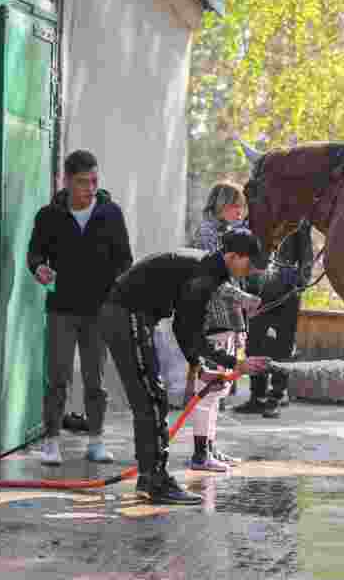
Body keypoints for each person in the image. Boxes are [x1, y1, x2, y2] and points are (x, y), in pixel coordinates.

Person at [98, 227, 271, 504]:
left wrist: (201, 366)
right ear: (233, 256)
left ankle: (151, 477)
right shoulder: (207, 274)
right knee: (151, 399)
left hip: (130, 316)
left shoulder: (209, 268)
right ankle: (154, 480)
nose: (251, 271)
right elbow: (187, 328)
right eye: (250, 263)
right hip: (126, 316)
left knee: (153, 398)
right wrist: (234, 362)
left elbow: (185, 326)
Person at [27, 150, 132, 466]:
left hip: (99, 311)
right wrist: (39, 270)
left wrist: (117, 289)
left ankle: (96, 441)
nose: (90, 187)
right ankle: (51, 442)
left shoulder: (111, 213)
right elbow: (35, 254)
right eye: (83, 182)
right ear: (67, 181)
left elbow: (125, 259)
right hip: (61, 308)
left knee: (95, 380)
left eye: (94, 180)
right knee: (58, 377)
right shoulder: (49, 215)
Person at [234, 221, 314, 418]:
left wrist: (301, 282)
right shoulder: (258, 215)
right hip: (257, 291)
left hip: (286, 293)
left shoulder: (298, 221)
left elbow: (306, 255)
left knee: (282, 347)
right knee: (254, 343)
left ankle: (276, 396)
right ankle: (257, 396)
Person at [189, 182, 254, 408]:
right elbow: (213, 281)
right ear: (221, 205)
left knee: (218, 391)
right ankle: (202, 442)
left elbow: (234, 279)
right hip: (210, 319)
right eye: (236, 206)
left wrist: (239, 327)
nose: (240, 212)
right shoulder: (207, 233)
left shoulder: (229, 233)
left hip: (226, 319)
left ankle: (207, 439)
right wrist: (243, 300)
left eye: (242, 207)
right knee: (208, 391)